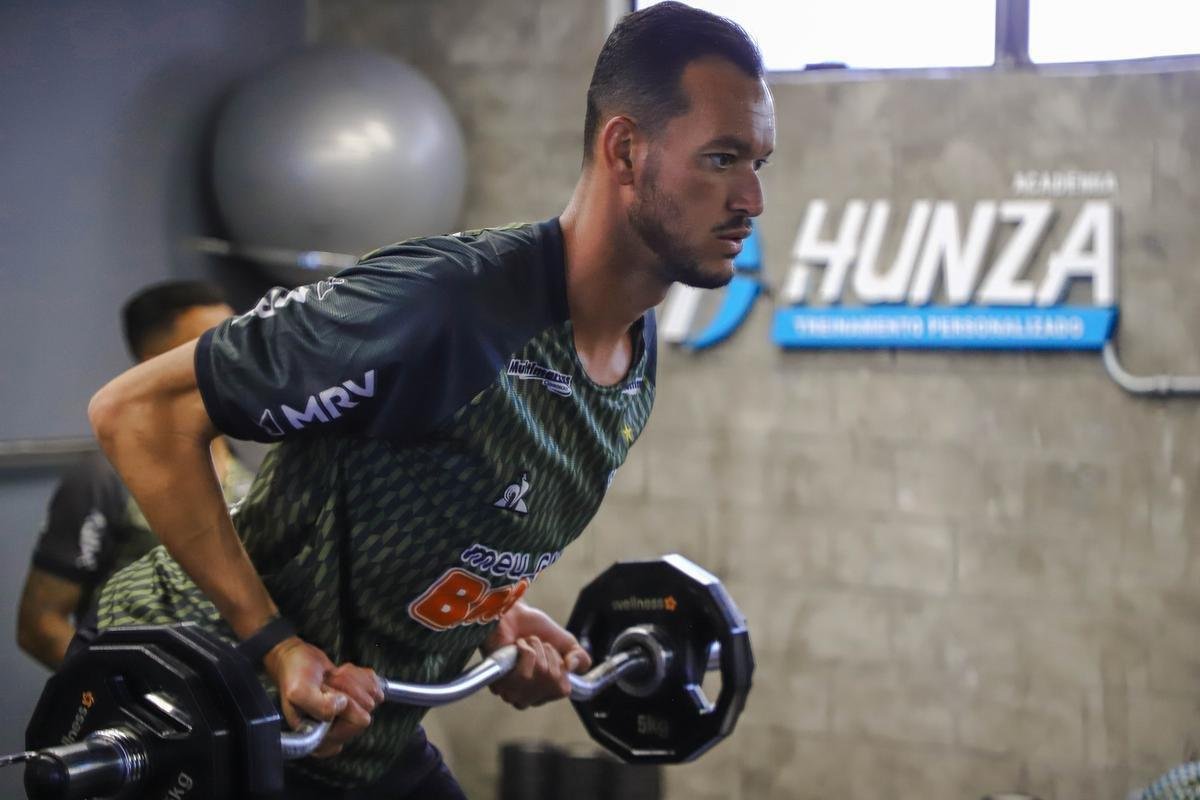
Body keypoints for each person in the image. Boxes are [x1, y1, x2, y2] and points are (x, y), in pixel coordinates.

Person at [85, 3, 775, 797]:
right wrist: (271, 642)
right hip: (198, 697)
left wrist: (494, 622)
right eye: (722, 159)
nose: (752, 197)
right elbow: (138, 414)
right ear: (625, 150)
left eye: (760, 161)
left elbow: (447, 517)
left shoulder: (632, 358)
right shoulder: (443, 304)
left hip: (358, 735)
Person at [17, 280, 252, 670]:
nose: (234, 364)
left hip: (244, 707)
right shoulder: (104, 479)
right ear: (154, 365)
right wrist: (130, 694)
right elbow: (40, 625)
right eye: (211, 350)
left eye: (238, 346)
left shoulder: (254, 473)